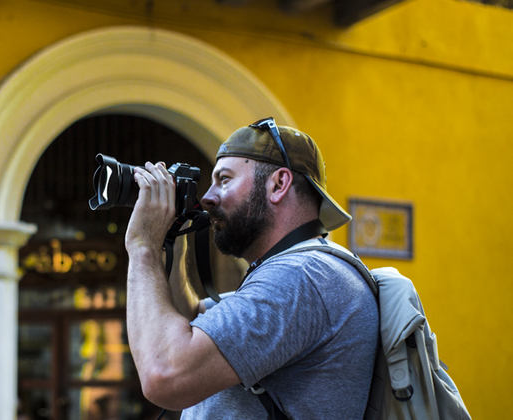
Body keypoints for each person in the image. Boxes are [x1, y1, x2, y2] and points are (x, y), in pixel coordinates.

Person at [124, 118, 379, 419]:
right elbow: (190, 318)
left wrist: (143, 249)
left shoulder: (301, 277)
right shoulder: (303, 274)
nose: (207, 198)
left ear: (278, 185)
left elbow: (164, 375)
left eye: (225, 179)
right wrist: (173, 245)